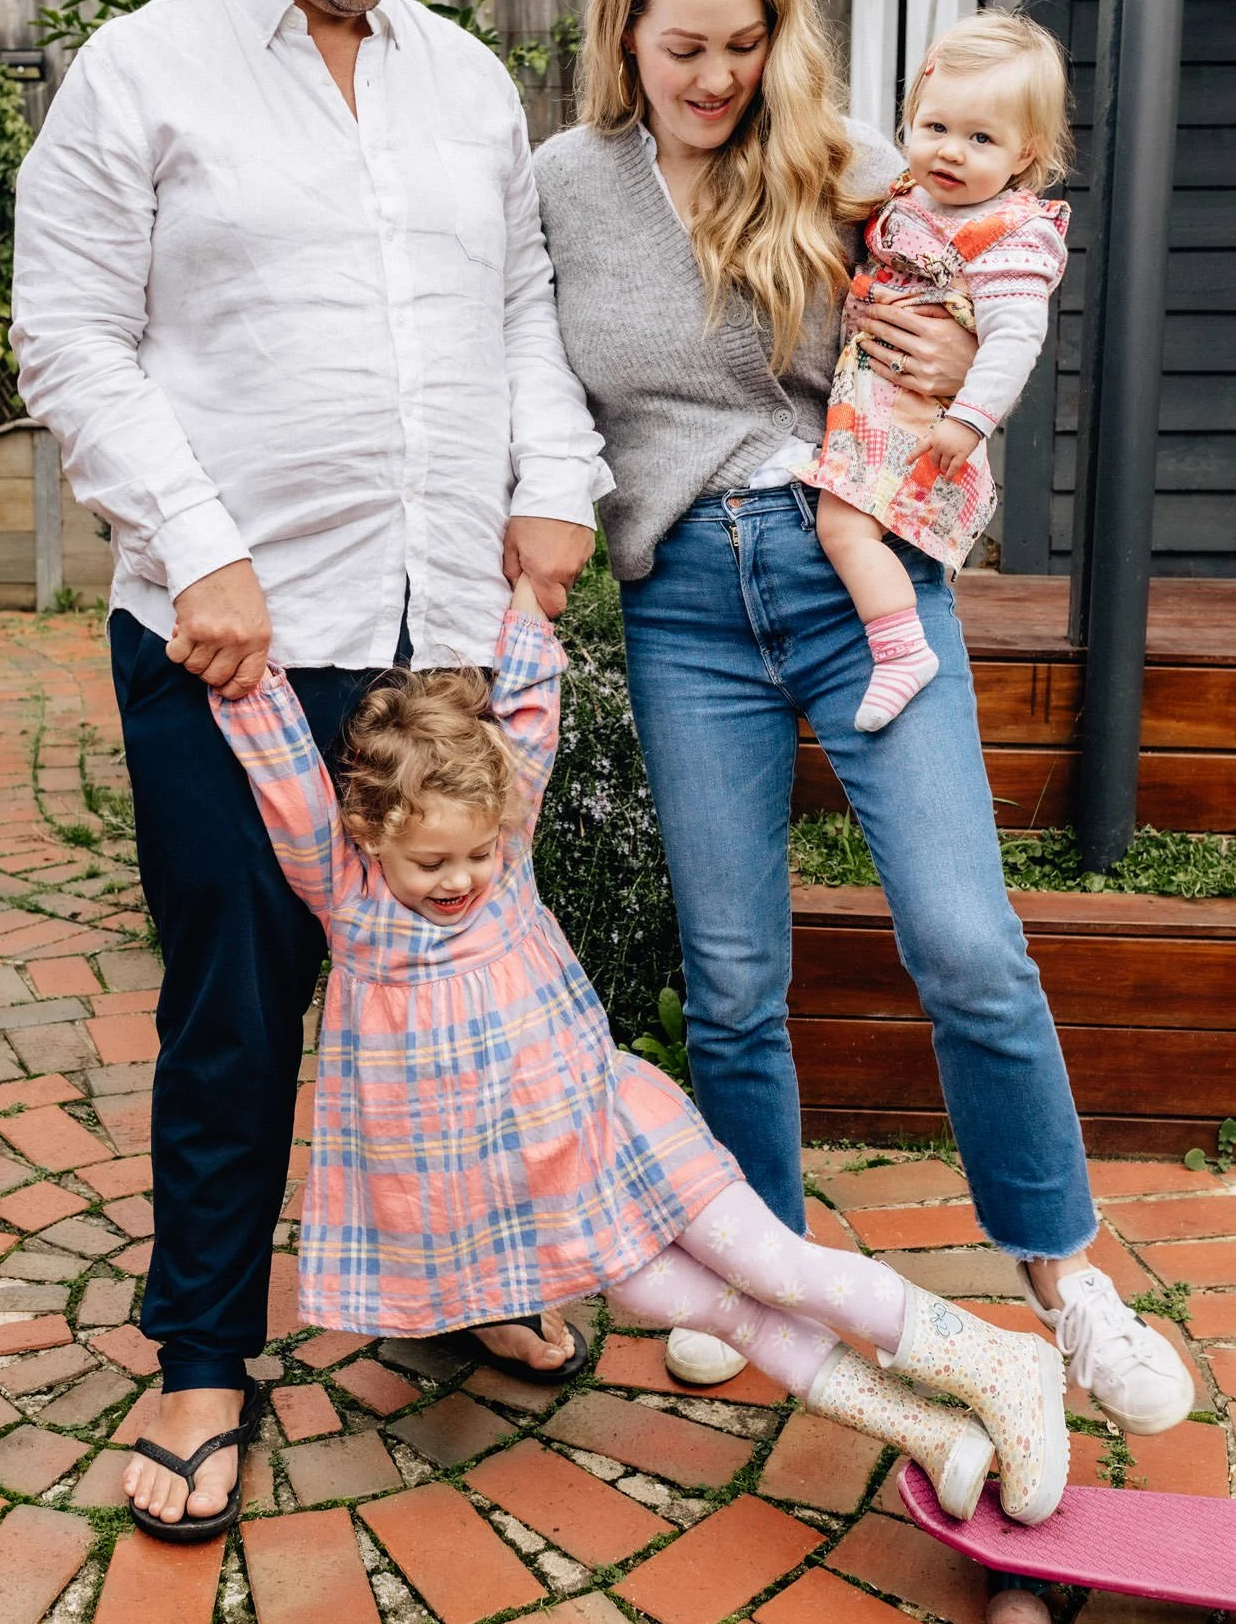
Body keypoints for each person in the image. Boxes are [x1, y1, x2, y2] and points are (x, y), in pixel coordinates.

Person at [10, 0, 610, 1539]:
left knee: (460, 991)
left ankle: (474, 1269)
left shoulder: (462, 80)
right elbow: (68, 334)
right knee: (237, 1006)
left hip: (443, 623)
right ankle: (204, 1351)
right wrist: (193, 540)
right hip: (231, 634)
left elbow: (519, 311)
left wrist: (552, 484)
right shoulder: (140, 73)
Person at [533, 0, 1193, 1428]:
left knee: (966, 943)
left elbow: (994, 277)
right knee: (738, 973)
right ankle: (769, 1274)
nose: (714, 79)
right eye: (683, 45)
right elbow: (531, 375)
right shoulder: (563, 180)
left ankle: (1066, 1279)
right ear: (622, 29)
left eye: (745, 44)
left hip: (862, 576)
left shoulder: (851, 167)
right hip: (684, 602)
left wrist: (964, 355)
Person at [214, 571, 1072, 1531]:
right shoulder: (351, 900)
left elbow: (531, 708)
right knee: (713, 1313)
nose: (460, 878)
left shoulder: (508, 857)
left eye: (477, 853)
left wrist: (529, 600)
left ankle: (998, 1362)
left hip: (612, 1125)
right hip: (536, 1186)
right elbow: (285, 779)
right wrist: (242, 676)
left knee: (771, 1265)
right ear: (369, 833)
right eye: (432, 862)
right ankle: (928, 1432)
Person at [799, 11, 1073, 732]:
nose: (950, 152)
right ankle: (894, 644)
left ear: (1024, 154)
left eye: (981, 138)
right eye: (934, 127)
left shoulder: (1010, 238)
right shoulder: (905, 202)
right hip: (869, 405)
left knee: (842, 528)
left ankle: (900, 652)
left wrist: (968, 418)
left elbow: (1014, 339)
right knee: (853, 529)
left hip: (922, 423)